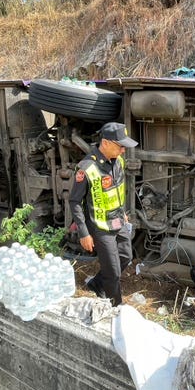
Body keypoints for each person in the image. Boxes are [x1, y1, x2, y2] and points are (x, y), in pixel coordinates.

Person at [68, 122, 138, 306]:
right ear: (106, 143)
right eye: (120, 146)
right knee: (113, 271)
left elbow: (118, 190)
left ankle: (97, 284)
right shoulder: (86, 168)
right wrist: (84, 233)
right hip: (99, 226)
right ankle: (116, 307)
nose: (123, 150)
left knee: (126, 257)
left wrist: (123, 212)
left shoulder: (118, 162)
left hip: (118, 220)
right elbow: (75, 201)